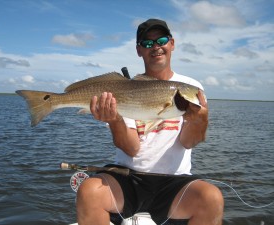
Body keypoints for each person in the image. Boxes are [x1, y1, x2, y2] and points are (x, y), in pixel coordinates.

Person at [76, 18, 224, 225]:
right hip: (128, 177)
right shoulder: (125, 89)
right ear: (139, 50)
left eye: (161, 40)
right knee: (89, 191)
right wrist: (114, 120)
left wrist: (200, 120)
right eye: (147, 43)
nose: (155, 47)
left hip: (175, 181)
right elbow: (132, 148)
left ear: (172, 44)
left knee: (212, 198)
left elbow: (189, 142)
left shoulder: (192, 86)